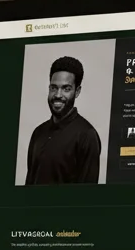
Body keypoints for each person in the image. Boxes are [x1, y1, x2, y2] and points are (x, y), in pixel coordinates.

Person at [24, 56, 102, 185]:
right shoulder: (38, 132)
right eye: (54, 88)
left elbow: (87, 198)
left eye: (66, 89)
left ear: (77, 91)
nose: (58, 95)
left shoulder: (87, 135)